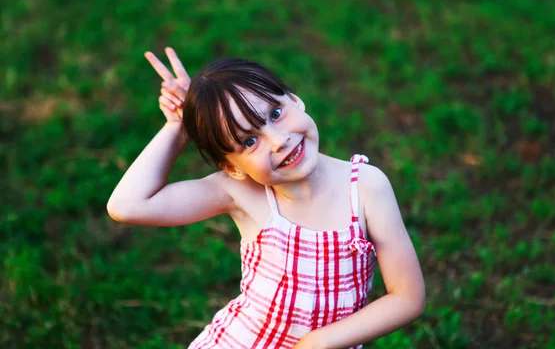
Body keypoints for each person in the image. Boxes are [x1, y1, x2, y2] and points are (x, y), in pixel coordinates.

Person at [107, 47, 426, 349]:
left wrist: (319, 342)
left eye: (275, 113)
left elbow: (407, 297)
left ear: (295, 99)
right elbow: (128, 205)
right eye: (248, 141)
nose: (278, 141)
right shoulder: (240, 193)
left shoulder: (366, 188)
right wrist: (180, 127)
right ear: (231, 167)